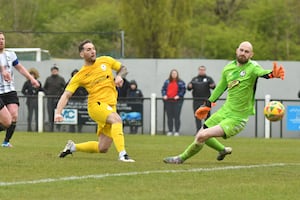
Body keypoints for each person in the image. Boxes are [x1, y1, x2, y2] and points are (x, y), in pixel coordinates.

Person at [163, 41, 285, 164]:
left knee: (202, 136)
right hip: (224, 111)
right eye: (241, 50)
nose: (243, 53)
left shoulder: (253, 67)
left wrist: (272, 74)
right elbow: (220, 88)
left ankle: (180, 159)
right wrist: (207, 104)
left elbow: (262, 73)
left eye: (246, 51)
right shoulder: (228, 68)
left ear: (251, 55)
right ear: (237, 50)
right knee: (200, 133)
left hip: (237, 118)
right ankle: (223, 150)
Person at [54, 39, 135, 162]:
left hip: (110, 106)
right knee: (117, 119)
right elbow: (66, 95)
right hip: (96, 105)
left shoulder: (105, 60)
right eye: (88, 49)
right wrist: (58, 112)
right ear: (82, 54)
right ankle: (123, 155)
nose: (93, 51)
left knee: (102, 147)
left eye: (93, 48)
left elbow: (123, 68)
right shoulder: (80, 75)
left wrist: (119, 76)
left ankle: (73, 147)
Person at [0, 32, 40, 147]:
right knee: (6, 121)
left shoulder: (11, 54)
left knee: (13, 116)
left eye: (2, 39)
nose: (1, 41)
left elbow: (20, 68)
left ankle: (6, 142)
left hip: (10, 90)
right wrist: (3, 71)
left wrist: (31, 79)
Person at [187, 65, 216, 131]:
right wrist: (189, 86)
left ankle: (206, 131)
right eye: (200, 70)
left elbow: (213, 86)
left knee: (207, 117)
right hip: (196, 100)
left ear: (205, 71)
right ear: (198, 70)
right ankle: (198, 131)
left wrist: (212, 85)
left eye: (203, 70)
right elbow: (188, 88)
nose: (201, 71)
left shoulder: (209, 78)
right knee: (197, 116)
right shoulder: (194, 79)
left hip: (206, 101)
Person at [161, 69, 186, 136]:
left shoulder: (181, 82)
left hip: (177, 102)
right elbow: (163, 89)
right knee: (169, 117)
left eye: (175, 73)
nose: (174, 74)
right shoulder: (167, 81)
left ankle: (177, 131)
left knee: (177, 117)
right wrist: (164, 95)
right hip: (168, 101)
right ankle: (170, 131)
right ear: (170, 74)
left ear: (177, 74)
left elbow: (183, 90)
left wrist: (179, 95)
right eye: (172, 73)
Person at [44, 65, 66, 132]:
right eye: (53, 70)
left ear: (57, 71)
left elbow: (65, 88)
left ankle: (58, 127)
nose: (54, 72)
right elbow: (44, 88)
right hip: (50, 99)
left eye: (55, 70)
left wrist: (61, 94)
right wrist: (47, 93)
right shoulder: (48, 79)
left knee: (58, 113)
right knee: (50, 113)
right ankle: (51, 128)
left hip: (58, 99)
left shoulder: (61, 79)